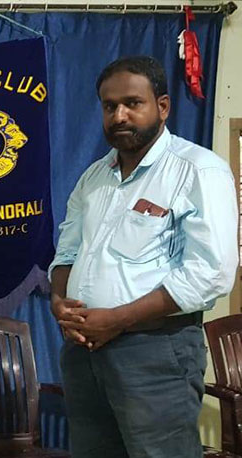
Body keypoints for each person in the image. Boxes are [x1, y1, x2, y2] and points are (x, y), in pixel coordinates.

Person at [50, 56, 238, 458]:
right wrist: (59, 301)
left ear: (162, 106)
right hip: (83, 351)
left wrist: (117, 320)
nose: (119, 116)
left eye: (132, 103)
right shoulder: (94, 177)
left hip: (156, 352)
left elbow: (210, 273)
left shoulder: (198, 170)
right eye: (109, 106)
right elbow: (67, 251)